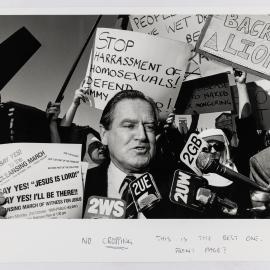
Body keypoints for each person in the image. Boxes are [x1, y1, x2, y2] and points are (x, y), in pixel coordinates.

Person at [83, 90, 198, 219]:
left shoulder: (182, 190)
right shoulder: (80, 186)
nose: (142, 136)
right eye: (129, 126)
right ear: (104, 134)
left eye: (149, 127)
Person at [198, 128, 252, 217]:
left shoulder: (237, 170)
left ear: (225, 147)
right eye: (207, 148)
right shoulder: (196, 177)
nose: (213, 151)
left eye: (218, 146)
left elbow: (247, 203)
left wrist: (238, 211)